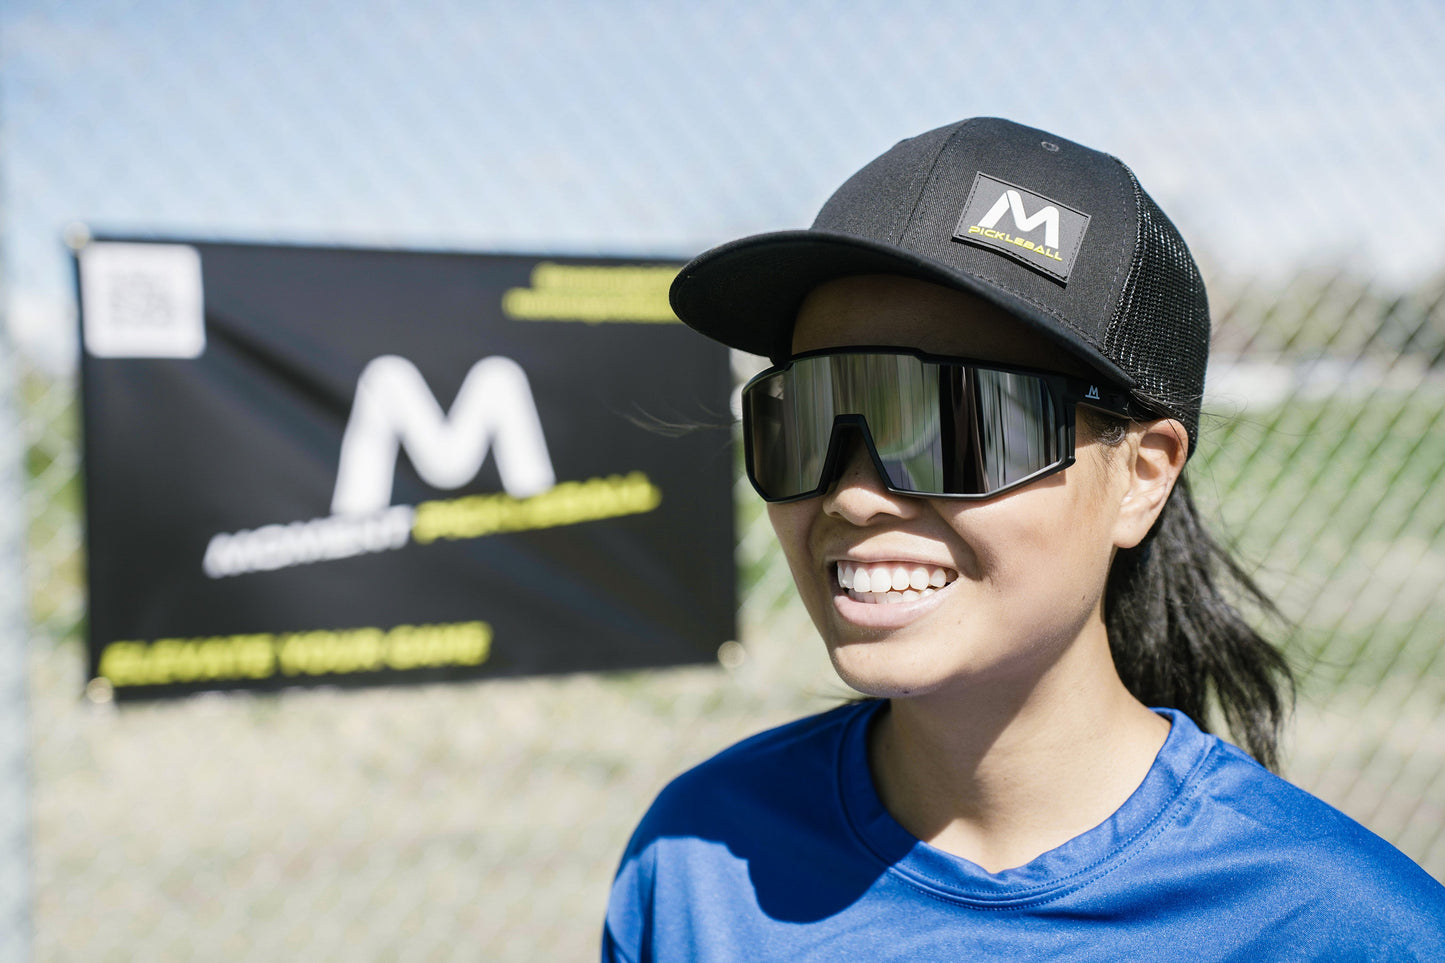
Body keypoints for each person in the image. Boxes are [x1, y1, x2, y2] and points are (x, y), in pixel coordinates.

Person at [603, 118, 1445, 961]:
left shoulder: (1340, 929)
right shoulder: (697, 866)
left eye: (952, 423)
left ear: (1142, 475)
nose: (852, 494)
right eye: (804, 417)